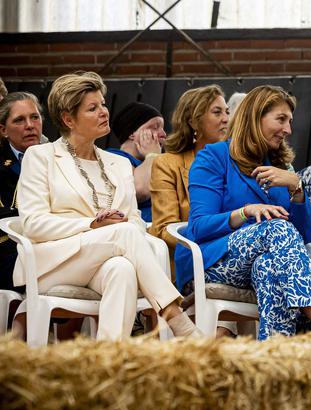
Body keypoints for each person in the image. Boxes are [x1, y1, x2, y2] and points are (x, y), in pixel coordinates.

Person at [14, 72, 199, 340]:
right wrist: (93, 225)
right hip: (52, 263)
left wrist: (119, 224)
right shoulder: (40, 157)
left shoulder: (118, 163)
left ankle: (109, 362)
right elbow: (33, 224)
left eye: (102, 104)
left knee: (122, 269)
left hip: (106, 259)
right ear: (68, 119)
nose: (104, 111)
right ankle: (177, 319)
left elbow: (135, 221)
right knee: (122, 234)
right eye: (93, 108)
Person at [184, 85, 311, 340]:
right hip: (214, 260)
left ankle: (275, 354)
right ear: (256, 118)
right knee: (278, 227)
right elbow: (199, 227)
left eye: (290, 121)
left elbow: (306, 234)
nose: (288, 129)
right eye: (281, 119)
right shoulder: (214, 157)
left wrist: (296, 187)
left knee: (269, 266)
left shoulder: (279, 167)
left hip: (259, 263)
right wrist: (244, 212)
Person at [149, 85, 232, 338]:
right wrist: (209, 240)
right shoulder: (167, 164)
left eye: (227, 112)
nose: (226, 119)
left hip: (232, 254)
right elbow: (163, 228)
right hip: (190, 259)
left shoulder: (236, 161)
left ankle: (220, 340)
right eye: (216, 112)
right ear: (194, 120)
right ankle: (220, 340)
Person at [0, 92, 44, 338]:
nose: (29, 126)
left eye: (35, 117)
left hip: (50, 243)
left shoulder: (58, 157)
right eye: (19, 120)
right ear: (3, 130)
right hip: (8, 248)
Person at [108, 102, 167, 223]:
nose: (163, 134)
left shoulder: (161, 161)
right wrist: (152, 156)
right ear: (131, 133)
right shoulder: (113, 157)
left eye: (162, 128)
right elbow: (139, 190)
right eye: (155, 127)